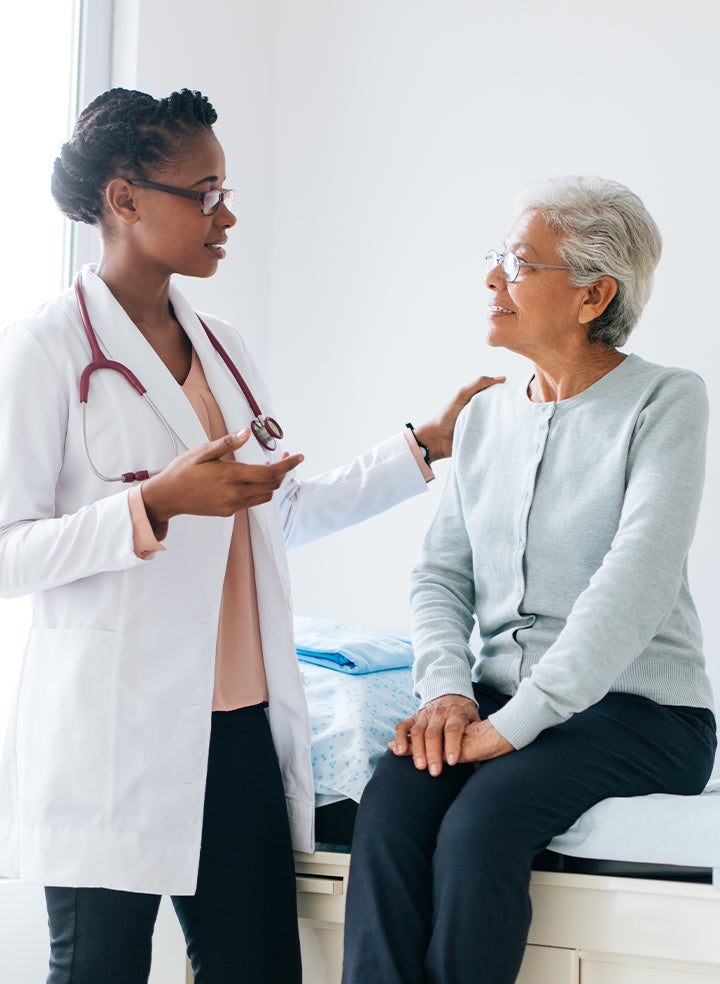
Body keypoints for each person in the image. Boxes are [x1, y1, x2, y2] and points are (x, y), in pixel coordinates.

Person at [0, 87, 500, 984]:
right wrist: (151, 505)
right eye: (203, 193)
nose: (225, 214)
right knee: (97, 972)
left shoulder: (223, 347)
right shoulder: (45, 349)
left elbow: (277, 517)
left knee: (259, 969)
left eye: (224, 190)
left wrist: (423, 447)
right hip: (114, 729)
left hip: (234, 730)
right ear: (123, 199)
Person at [341, 175, 717, 984]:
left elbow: (635, 580)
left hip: (642, 715)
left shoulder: (665, 401)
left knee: (484, 824)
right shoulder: (484, 419)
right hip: (503, 705)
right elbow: (439, 575)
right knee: (392, 808)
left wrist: (516, 728)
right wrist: (446, 691)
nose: (491, 279)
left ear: (594, 295)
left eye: (518, 262)